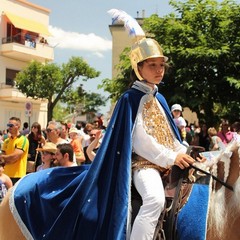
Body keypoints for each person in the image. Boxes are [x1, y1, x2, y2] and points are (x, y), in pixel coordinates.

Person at [3, 10, 198, 239]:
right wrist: (170, 158)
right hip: (143, 165)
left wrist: (184, 151)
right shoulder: (130, 98)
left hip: (165, 163)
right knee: (154, 200)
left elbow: (170, 135)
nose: (158, 70)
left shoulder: (160, 98)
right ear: (139, 67)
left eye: (161, 66)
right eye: (152, 65)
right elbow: (140, 141)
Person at [0, 117, 29, 185]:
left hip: (18, 176)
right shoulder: (6, 141)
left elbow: (14, 157)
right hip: (6, 175)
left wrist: (4, 158)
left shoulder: (23, 140)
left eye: (11, 125)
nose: (9, 127)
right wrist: (6, 158)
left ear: (18, 126)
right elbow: (3, 159)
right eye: (8, 125)